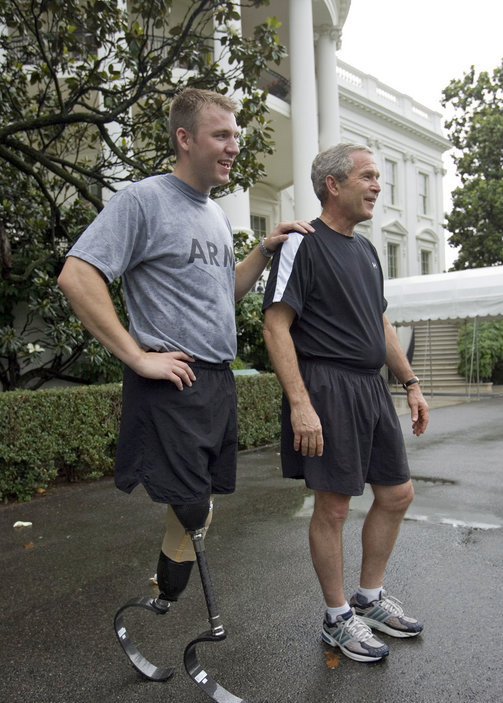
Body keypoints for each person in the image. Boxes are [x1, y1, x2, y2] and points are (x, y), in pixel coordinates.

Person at [58, 87, 313, 611]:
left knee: (203, 502)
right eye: (221, 135)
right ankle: (172, 600)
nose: (233, 146)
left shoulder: (214, 214)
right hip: (172, 379)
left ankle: (164, 597)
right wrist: (136, 355)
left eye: (235, 136)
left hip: (216, 381)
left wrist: (263, 251)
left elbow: (224, 295)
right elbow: (77, 275)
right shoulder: (143, 200)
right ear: (184, 138)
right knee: (192, 503)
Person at [262, 143, 429, 663]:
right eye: (368, 176)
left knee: (397, 493)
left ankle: (370, 598)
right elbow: (276, 323)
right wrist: (300, 403)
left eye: (379, 177)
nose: (377, 186)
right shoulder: (302, 245)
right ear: (333, 184)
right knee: (333, 507)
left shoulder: (367, 250)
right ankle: (337, 618)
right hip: (327, 386)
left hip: (370, 386)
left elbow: (379, 325)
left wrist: (410, 382)